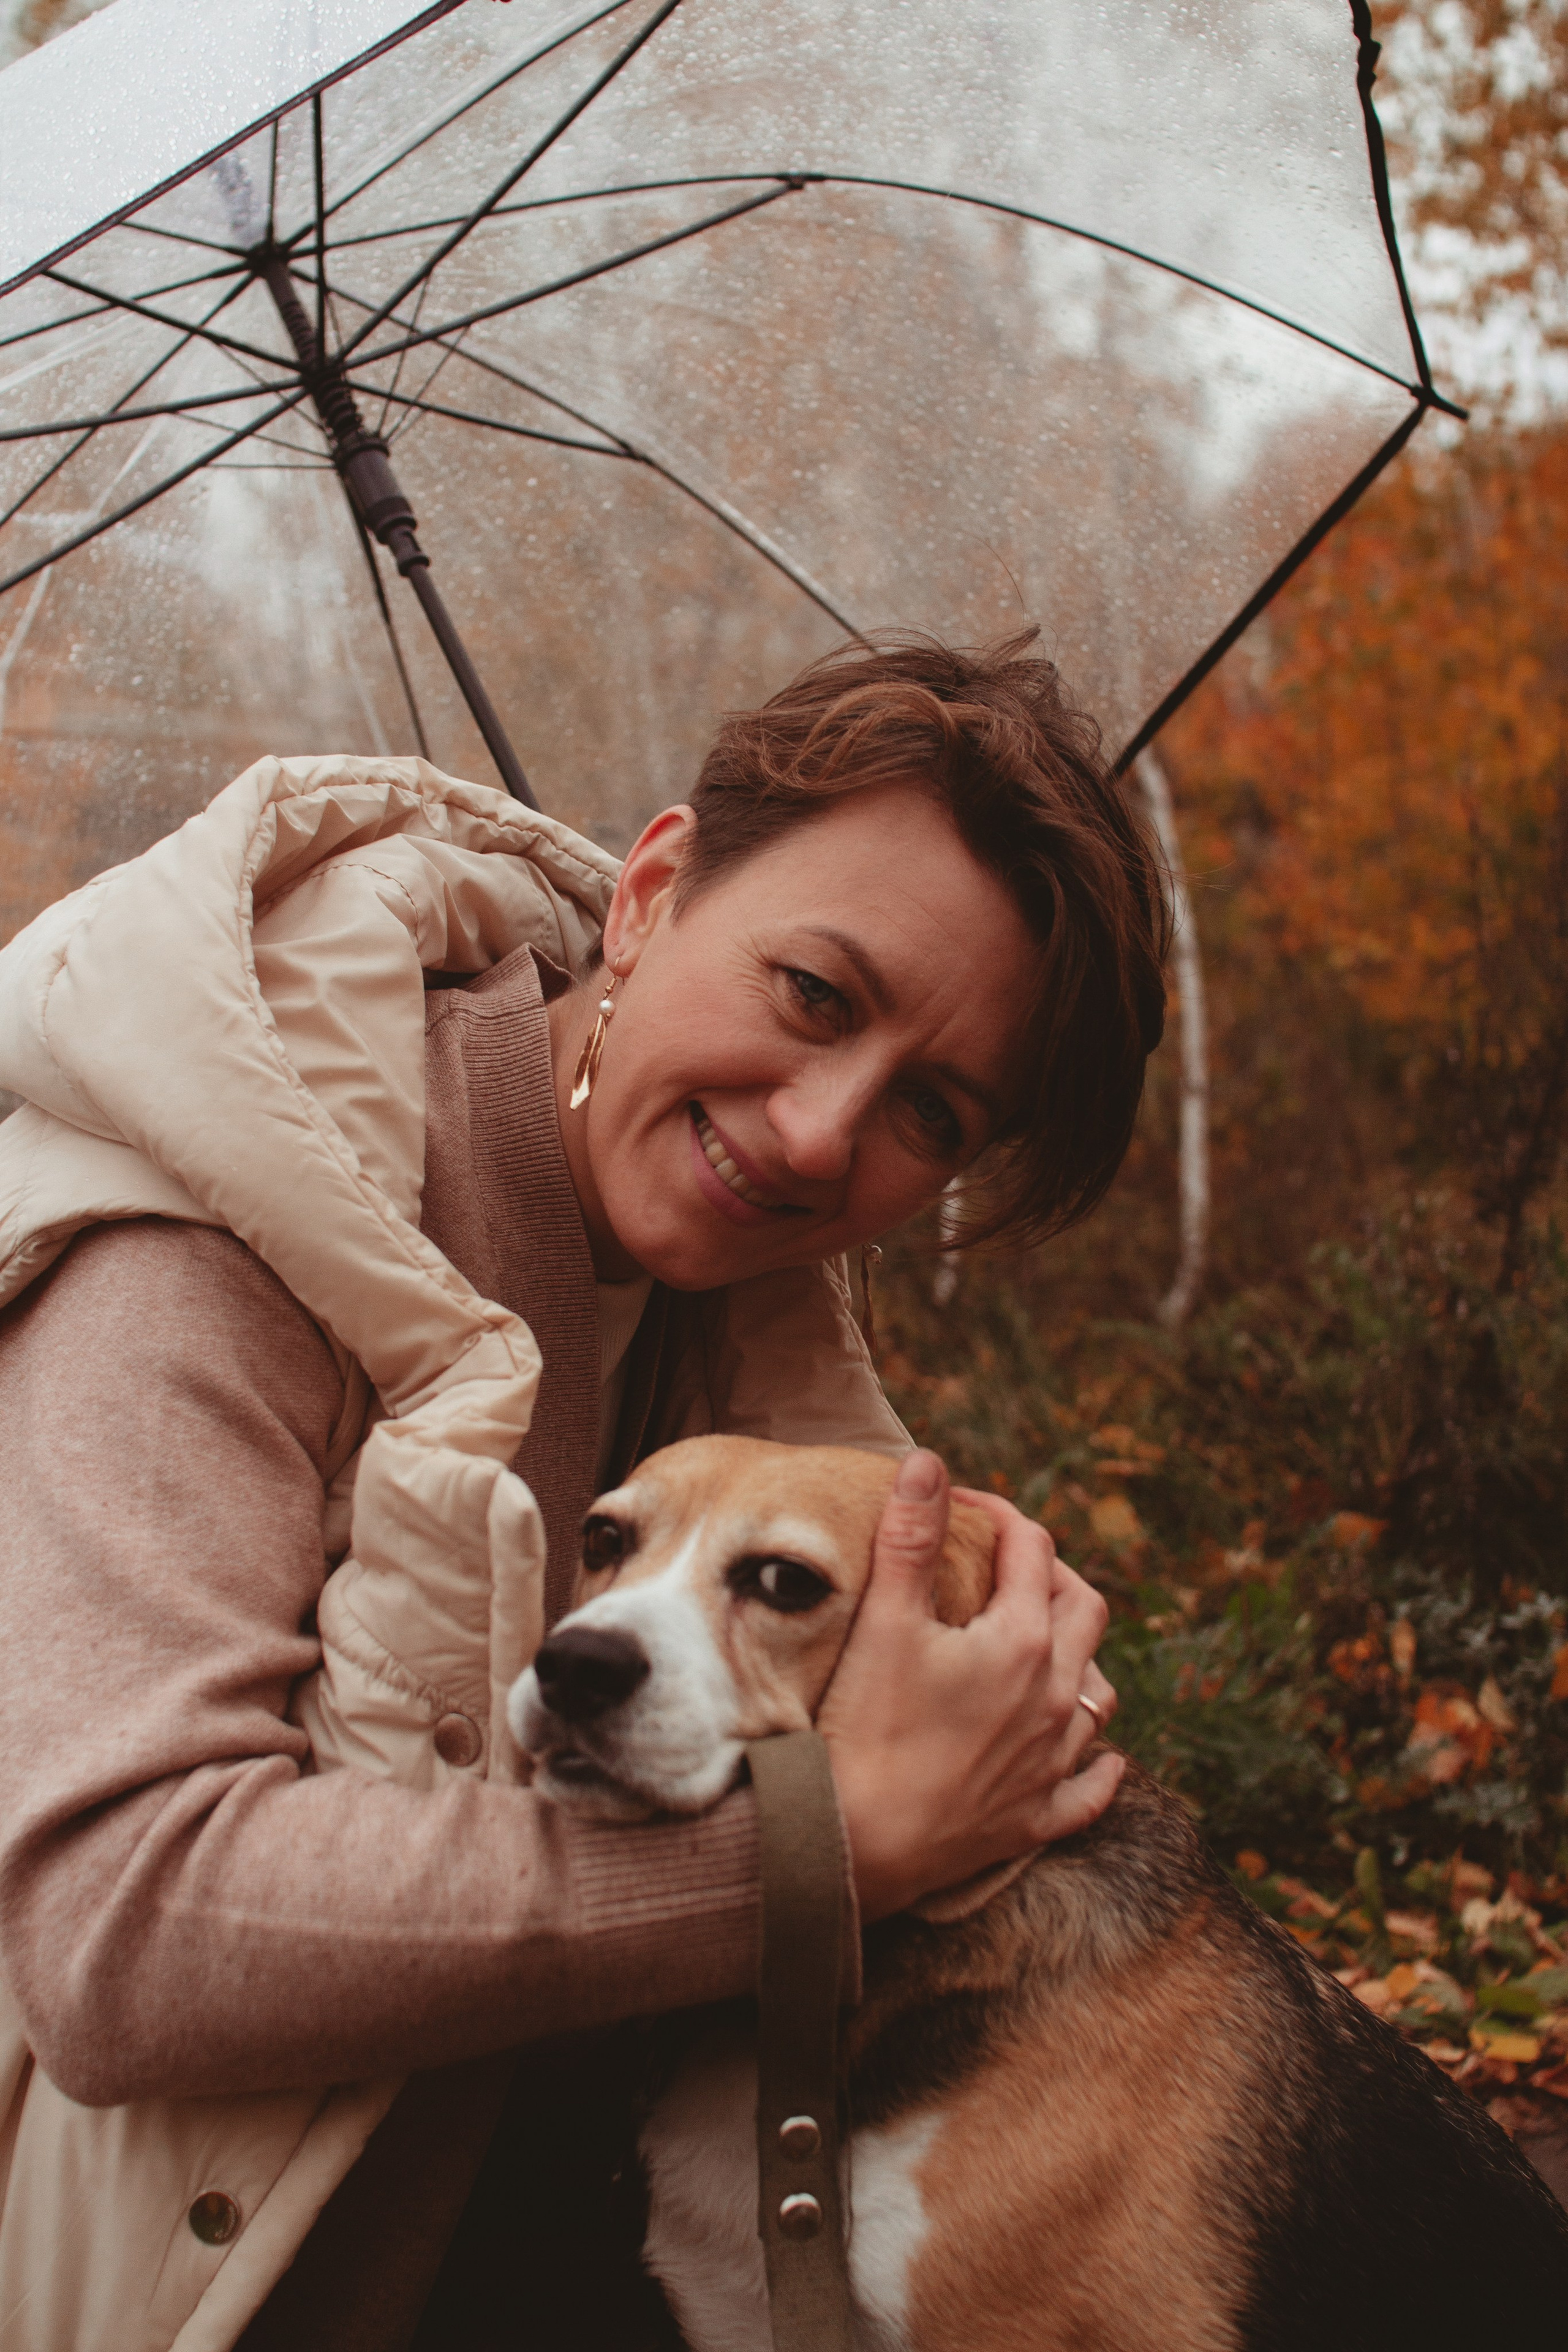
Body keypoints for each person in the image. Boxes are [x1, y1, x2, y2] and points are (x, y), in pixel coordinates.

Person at [0, 628, 1166, 2352]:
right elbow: (127, 1933)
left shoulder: (740, 1344)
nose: (824, 1135)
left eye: (930, 1109)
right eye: (813, 997)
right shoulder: (212, 1221)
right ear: (653, 890)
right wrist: (825, 1849)